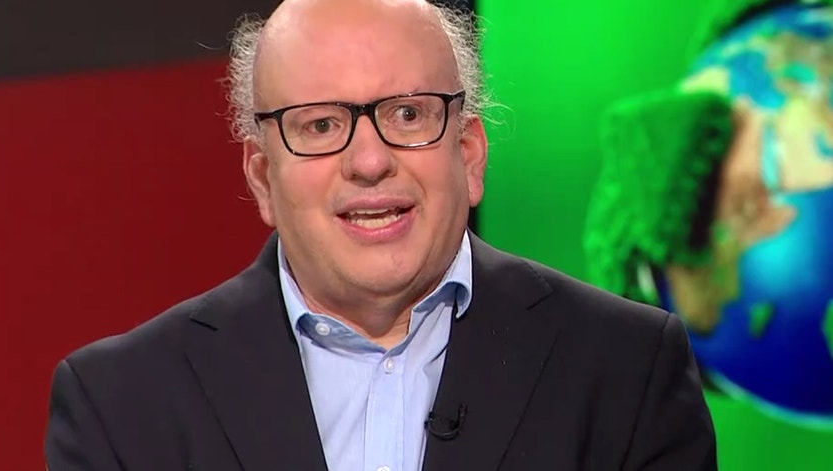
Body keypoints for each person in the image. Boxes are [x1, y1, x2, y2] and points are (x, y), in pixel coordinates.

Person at [44, 0, 717, 469]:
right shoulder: (122, 404)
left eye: (408, 114)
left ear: (470, 155)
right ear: (262, 178)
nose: (369, 161)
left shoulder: (627, 369)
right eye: (320, 125)